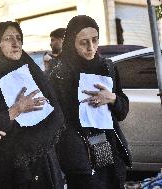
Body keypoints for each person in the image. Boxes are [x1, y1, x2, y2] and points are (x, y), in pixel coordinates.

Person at [0, 21, 65, 189]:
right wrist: (16, 109)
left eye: (18, 38)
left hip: (42, 162)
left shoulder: (32, 71)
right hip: (8, 168)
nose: (16, 43)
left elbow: (56, 113)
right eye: (8, 38)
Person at [49, 15, 131, 189]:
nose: (91, 47)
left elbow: (122, 111)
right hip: (80, 155)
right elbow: (55, 119)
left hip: (109, 149)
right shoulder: (59, 75)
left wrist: (113, 98)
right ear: (72, 42)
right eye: (83, 42)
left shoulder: (107, 67)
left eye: (94, 40)